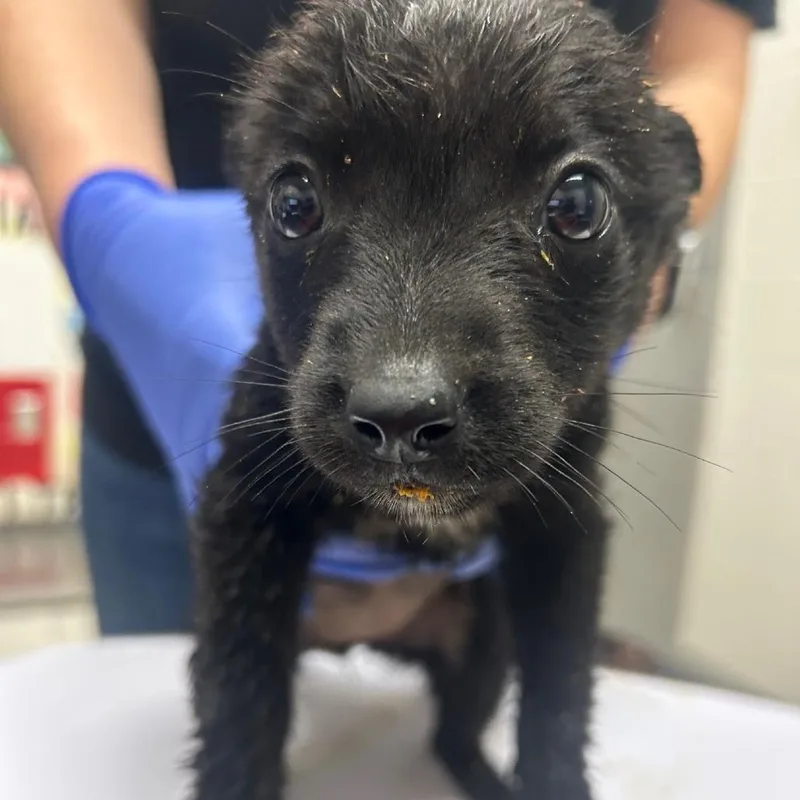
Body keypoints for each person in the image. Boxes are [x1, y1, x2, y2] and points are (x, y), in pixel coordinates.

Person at [0, 0, 776, 635]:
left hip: (539, 442)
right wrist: (114, 223)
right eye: (298, 204)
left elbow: (697, 66)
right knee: (168, 720)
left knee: (472, 709)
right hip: (166, 394)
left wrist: (630, 264)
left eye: (573, 208)